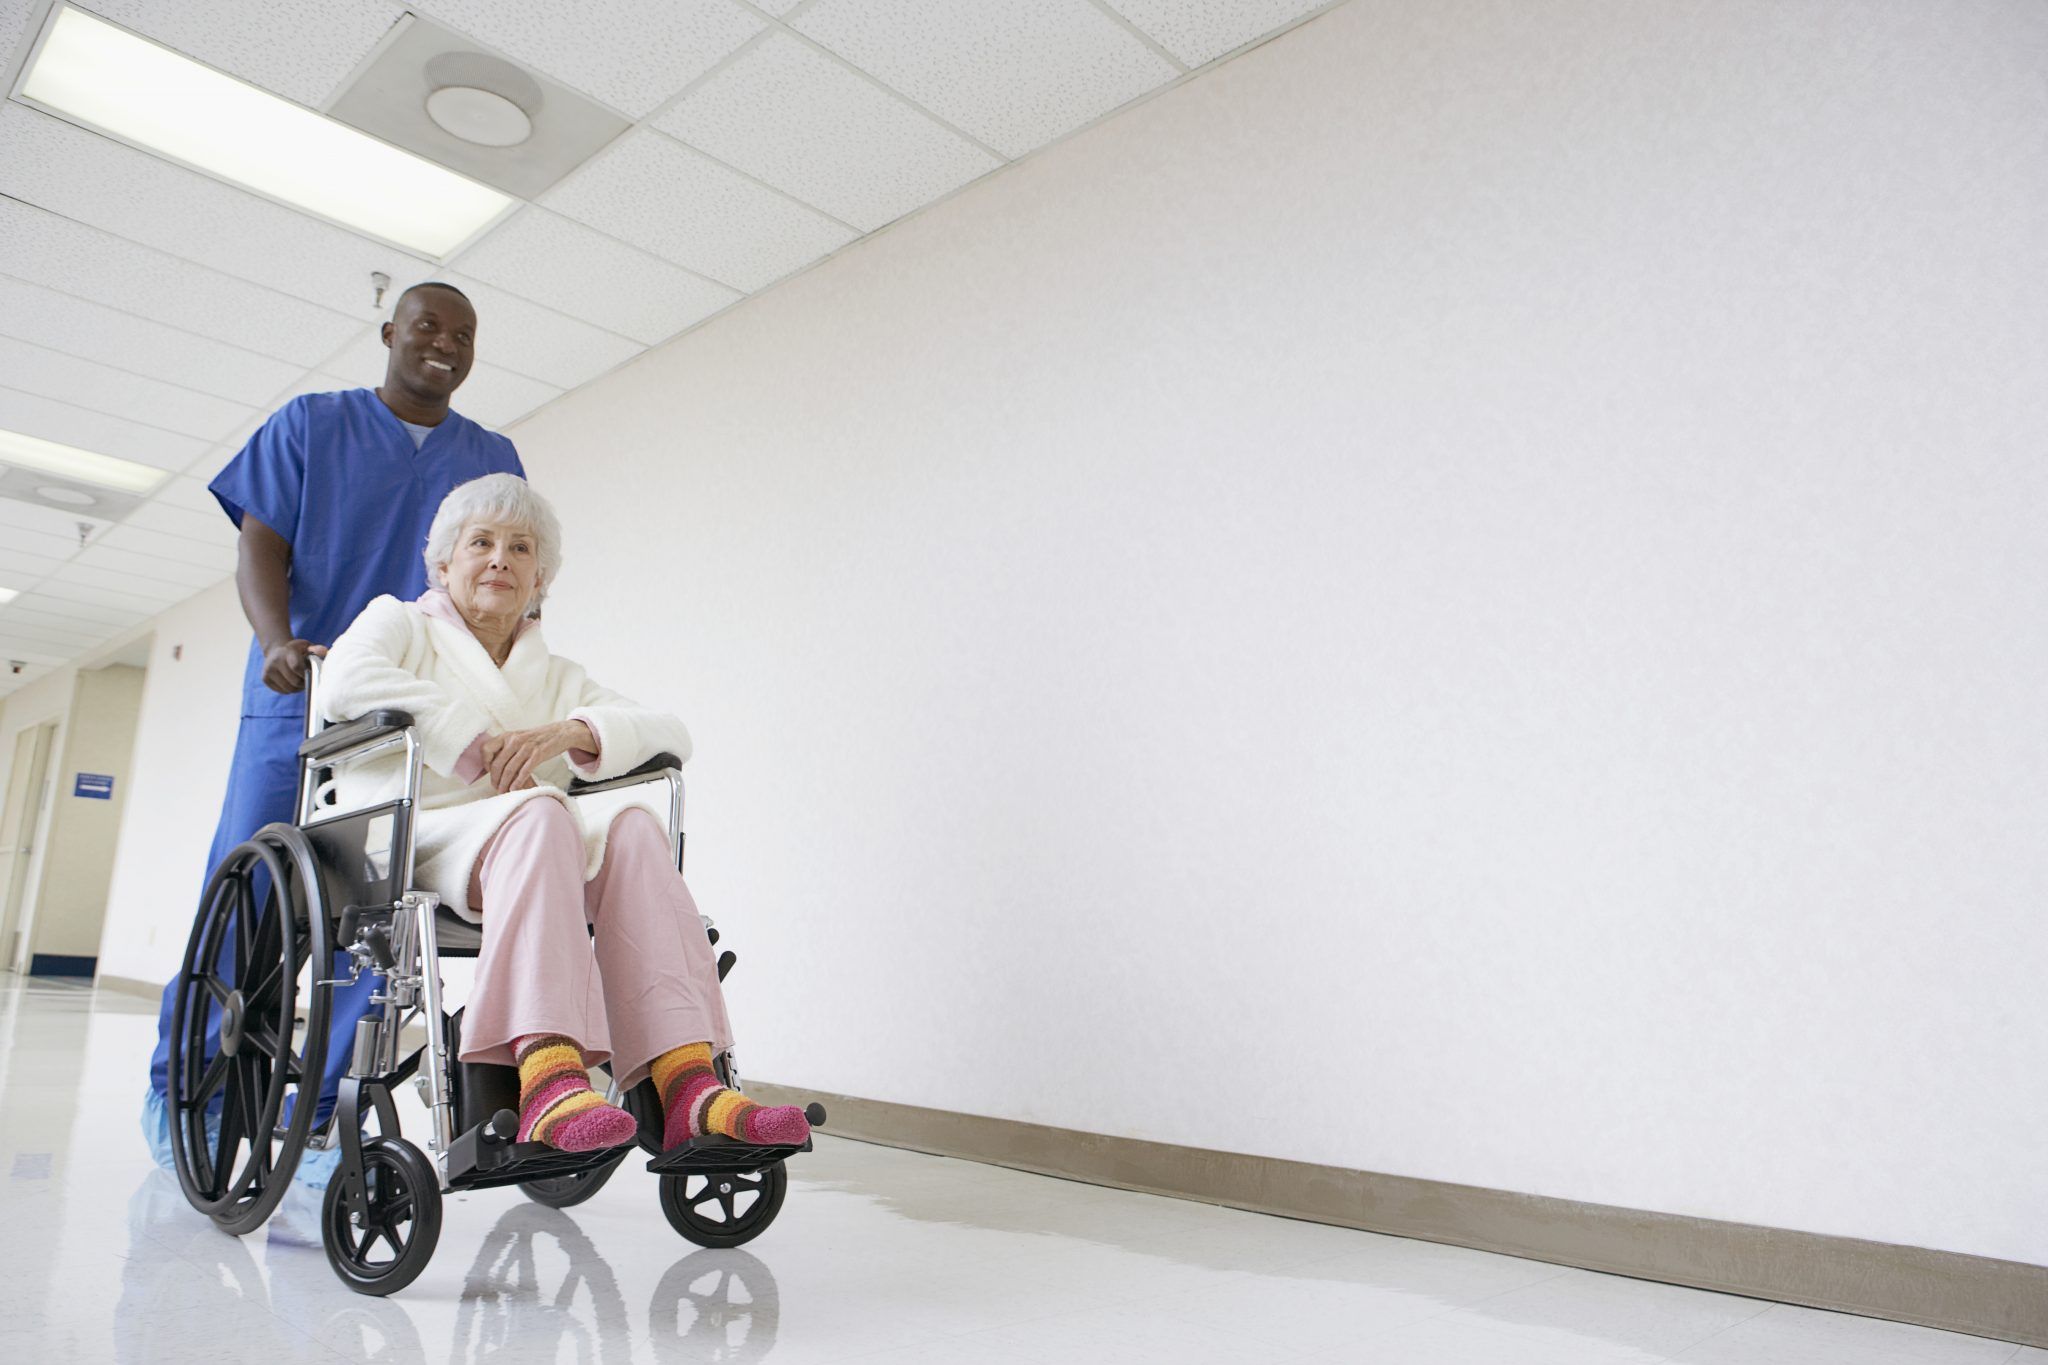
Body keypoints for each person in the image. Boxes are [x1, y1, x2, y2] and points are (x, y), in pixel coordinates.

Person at [146, 283, 525, 1169]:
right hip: (302, 691)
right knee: (245, 898)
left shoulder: (492, 455)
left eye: (464, 334)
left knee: (375, 914)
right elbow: (259, 543)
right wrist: (276, 640)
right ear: (389, 332)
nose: (445, 343)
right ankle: (185, 1086)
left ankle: (321, 1111)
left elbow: (498, 575)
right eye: (427, 326)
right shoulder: (311, 424)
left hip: (412, 717)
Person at [317, 474, 809, 1153]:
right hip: (418, 835)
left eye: (520, 549)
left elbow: (671, 732)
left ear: (539, 577)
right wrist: (476, 743)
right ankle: (548, 1076)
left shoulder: (554, 672)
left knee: (634, 828)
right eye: (480, 542)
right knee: (547, 812)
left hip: (530, 846)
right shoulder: (400, 623)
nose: (500, 559)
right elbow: (346, 680)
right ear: (442, 563)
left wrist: (570, 732)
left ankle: (690, 1084)